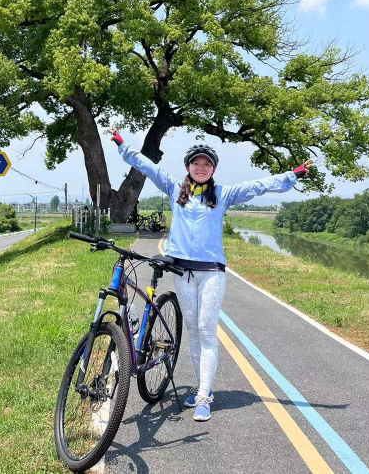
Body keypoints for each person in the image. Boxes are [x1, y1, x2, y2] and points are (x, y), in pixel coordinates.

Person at [106, 127, 312, 421]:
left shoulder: (223, 194)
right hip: (182, 271)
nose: (201, 168)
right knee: (192, 330)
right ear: (188, 167)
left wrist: (293, 175)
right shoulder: (174, 189)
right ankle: (202, 387)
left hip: (212, 272)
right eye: (196, 163)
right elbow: (147, 166)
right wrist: (121, 144)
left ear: (213, 169)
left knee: (205, 329)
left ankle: (204, 395)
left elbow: (258, 186)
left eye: (207, 164)